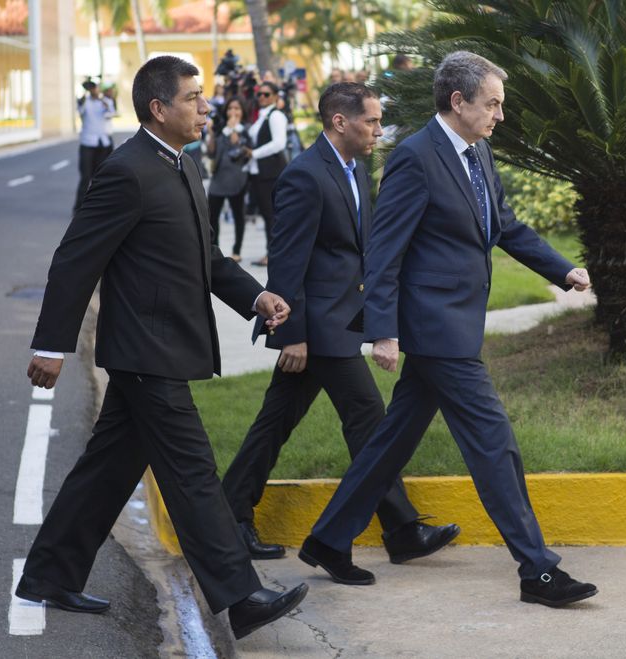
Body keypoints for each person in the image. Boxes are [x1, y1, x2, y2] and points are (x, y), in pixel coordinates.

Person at [16, 55, 307, 640]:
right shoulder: (126, 171)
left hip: (162, 346)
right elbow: (75, 259)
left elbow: (207, 259)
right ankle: (241, 596)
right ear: (159, 108)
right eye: (194, 98)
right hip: (144, 350)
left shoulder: (183, 166)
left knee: (108, 468)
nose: (207, 107)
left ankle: (47, 574)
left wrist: (257, 298)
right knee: (194, 471)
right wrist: (51, 346)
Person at [299, 51, 598, 608]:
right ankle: (537, 569)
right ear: (457, 101)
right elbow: (384, 253)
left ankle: (327, 539)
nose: (499, 116)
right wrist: (382, 331)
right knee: (494, 444)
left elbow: (503, 225)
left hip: (456, 322)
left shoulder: (477, 149)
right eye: (492, 104)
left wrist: (562, 269)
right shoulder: (415, 158)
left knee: (391, 441)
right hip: (436, 330)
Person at [222, 83, 460, 571]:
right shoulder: (305, 176)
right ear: (339, 122)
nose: (378, 129)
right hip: (316, 328)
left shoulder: (357, 169)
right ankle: (400, 529)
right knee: (371, 419)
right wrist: (293, 335)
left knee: (274, 423)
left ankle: (228, 519)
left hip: (337, 323)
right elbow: (289, 261)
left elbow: (357, 255)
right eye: (371, 121)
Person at [244, 81, 288, 266]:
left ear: (276, 96)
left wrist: (255, 153)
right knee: (266, 214)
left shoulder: (276, 115)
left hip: (271, 172)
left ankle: (272, 254)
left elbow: (279, 143)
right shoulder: (261, 116)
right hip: (259, 172)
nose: (262, 97)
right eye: (259, 94)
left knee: (271, 215)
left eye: (266, 94)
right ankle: (270, 252)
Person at [207, 96, 250, 260]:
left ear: (242, 111)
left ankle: (236, 251)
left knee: (239, 215)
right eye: (230, 108)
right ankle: (214, 250)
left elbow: (242, 153)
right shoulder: (220, 128)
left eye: (237, 108)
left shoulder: (245, 128)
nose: (233, 112)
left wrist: (235, 134)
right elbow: (211, 153)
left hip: (237, 178)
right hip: (218, 178)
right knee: (212, 216)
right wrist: (211, 134)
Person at [73, 79, 116, 213]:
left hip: (103, 144)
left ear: (99, 88)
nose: (93, 90)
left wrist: (103, 102)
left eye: (95, 87)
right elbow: (80, 111)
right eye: (91, 88)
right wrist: (85, 96)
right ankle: (79, 208)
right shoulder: (84, 102)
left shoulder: (106, 102)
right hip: (87, 143)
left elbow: (110, 114)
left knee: (102, 177)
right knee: (86, 177)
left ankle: (101, 207)